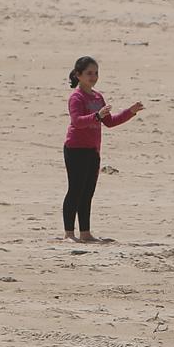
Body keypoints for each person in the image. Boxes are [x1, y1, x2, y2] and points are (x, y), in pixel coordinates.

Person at [63, 56, 143, 242]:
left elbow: (110, 122)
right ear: (78, 75)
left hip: (93, 150)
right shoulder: (76, 97)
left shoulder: (98, 97)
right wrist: (96, 116)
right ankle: (69, 233)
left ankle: (85, 232)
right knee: (75, 190)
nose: (93, 77)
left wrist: (130, 112)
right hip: (75, 149)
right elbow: (77, 122)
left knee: (88, 192)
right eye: (89, 73)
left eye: (96, 73)